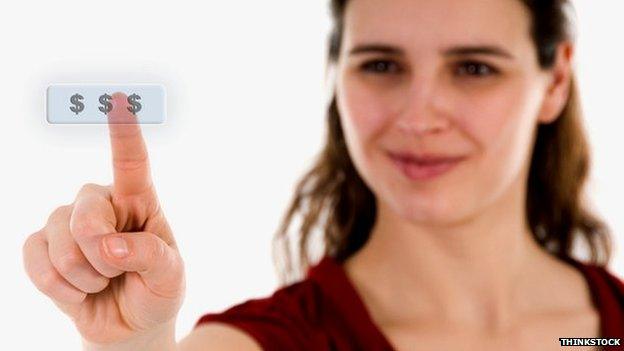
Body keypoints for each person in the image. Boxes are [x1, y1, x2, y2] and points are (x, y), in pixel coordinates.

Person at [22, 0, 624, 350]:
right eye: (381, 64)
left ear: (557, 80)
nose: (418, 117)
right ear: (337, 76)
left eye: (473, 67)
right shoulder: (268, 342)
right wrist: (135, 347)